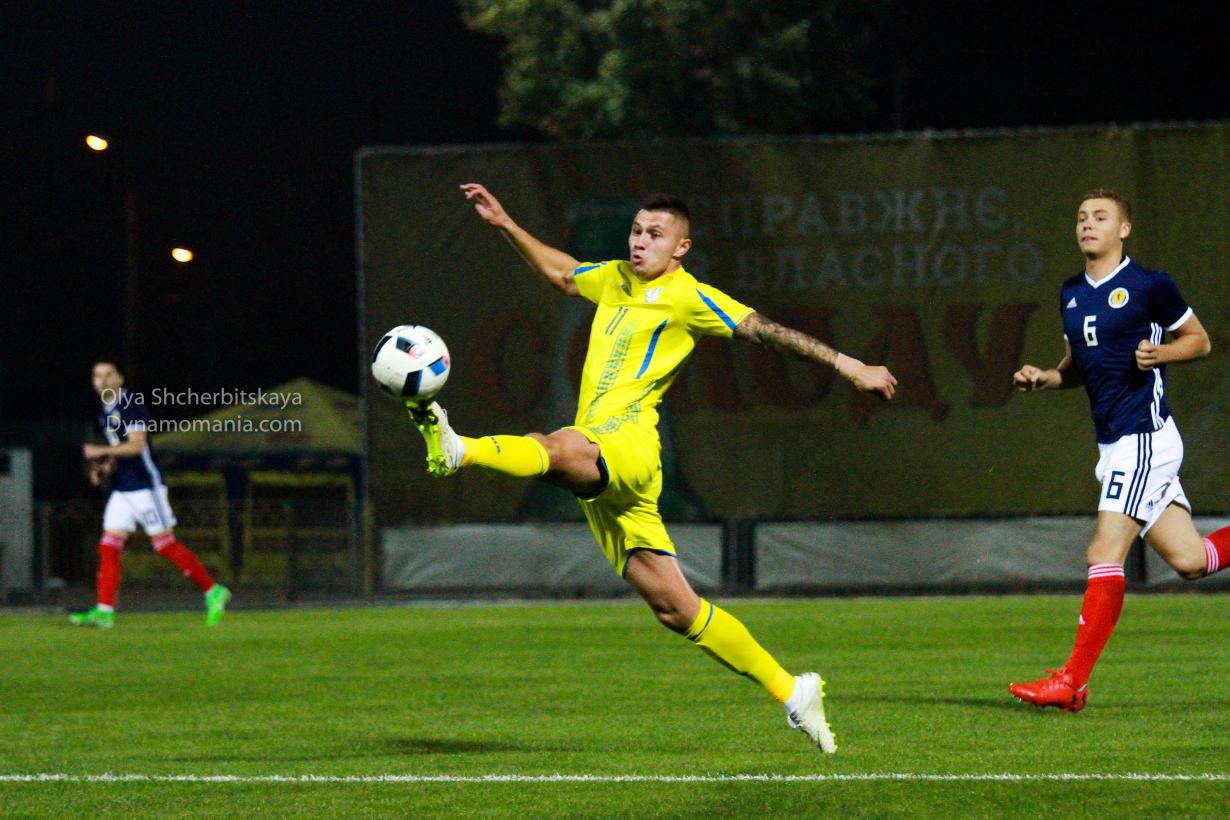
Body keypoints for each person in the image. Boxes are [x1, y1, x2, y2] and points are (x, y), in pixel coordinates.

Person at [403, 183, 897, 752]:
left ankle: (459, 449)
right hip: (607, 462)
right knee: (675, 609)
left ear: (681, 248)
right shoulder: (614, 277)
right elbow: (564, 274)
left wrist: (850, 365)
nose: (639, 242)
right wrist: (506, 225)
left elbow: (766, 331)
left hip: (631, 442)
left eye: (655, 235)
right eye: (636, 231)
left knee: (557, 448)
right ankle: (792, 690)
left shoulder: (688, 296)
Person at [1009, 188, 1230, 711]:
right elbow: (1077, 368)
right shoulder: (1071, 293)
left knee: (1103, 553)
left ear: (1123, 229)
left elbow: (1200, 341)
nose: (1088, 224)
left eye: (1100, 217)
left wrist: (1163, 353)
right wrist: (1046, 377)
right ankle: (1073, 682)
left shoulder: (1149, 285)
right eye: (1082, 217)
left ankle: (1073, 682)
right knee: (1191, 560)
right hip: (1114, 444)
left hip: (1144, 436)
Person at [70, 357, 231, 628]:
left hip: (145, 486)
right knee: (108, 547)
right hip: (122, 488)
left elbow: (136, 446)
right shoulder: (105, 413)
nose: (103, 380)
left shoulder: (130, 404)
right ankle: (104, 611)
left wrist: (100, 451)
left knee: (164, 544)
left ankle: (213, 590)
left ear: (119, 379)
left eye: (109, 374)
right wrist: (103, 468)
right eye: (98, 376)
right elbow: (119, 451)